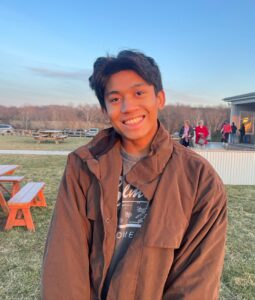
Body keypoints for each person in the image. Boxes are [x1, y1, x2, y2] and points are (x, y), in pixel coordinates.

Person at [41, 50, 227, 300]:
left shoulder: (200, 180)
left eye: (139, 93)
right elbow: (64, 261)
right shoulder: (82, 166)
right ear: (105, 109)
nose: (128, 107)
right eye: (115, 99)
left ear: (159, 98)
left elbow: (197, 283)